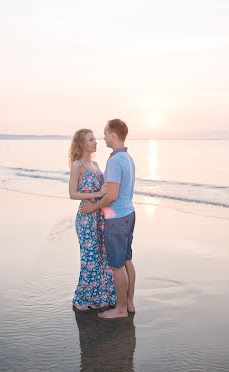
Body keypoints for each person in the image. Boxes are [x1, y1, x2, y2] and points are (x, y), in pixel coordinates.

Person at [80, 119, 136, 319]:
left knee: (117, 265)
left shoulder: (114, 161)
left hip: (117, 218)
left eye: (105, 133)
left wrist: (94, 206)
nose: (103, 137)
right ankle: (129, 303)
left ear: (113, 135)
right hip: (129, 214)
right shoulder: (128, 158)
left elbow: (111, 195)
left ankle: (120, 309)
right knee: (127, 260)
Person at [69, 128, 117, 311]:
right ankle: (83, 299)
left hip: (100, 216)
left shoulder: (96, 164)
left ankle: (102, 296)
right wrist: (98, 193)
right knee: (90, 258)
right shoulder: (77, 165)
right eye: (91, 140)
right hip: (86, 218)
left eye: (95, 139)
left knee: (103, 256)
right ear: (81, 143)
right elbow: (72, 194)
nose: (95, 142)